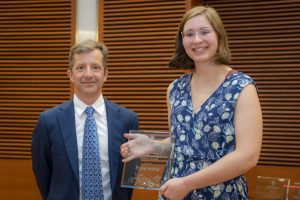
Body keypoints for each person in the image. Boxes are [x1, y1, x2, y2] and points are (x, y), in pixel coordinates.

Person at [120, 5, 262, 200]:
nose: (197, 40)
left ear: (219, 35)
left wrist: (188, 183)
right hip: (175, 193)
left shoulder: (242, 88)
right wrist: (155, 146)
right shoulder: (175, 88)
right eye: (189, 34)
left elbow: (248, 157)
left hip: (222, 194)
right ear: (182, 40)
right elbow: (183, 142)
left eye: (204, 32)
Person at [31, 39, 139, 200]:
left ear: (105, 74)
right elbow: (42, 172)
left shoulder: (128, 119)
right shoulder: (48, 121)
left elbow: (130, 175)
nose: (88, 74)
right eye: (81, 67)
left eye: (95, 67)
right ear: (70, 75)